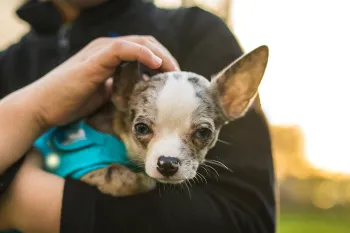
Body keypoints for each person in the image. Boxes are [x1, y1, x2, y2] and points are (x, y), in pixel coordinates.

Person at [0, 0, 276, 233]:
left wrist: (20, 203)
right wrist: (33, 109)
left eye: (200, 133)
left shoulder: (197, 33)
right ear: (121, 90)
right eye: (145, 128)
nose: (169, 156)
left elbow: (248, 222)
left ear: (235, 100)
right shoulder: (7, 63)